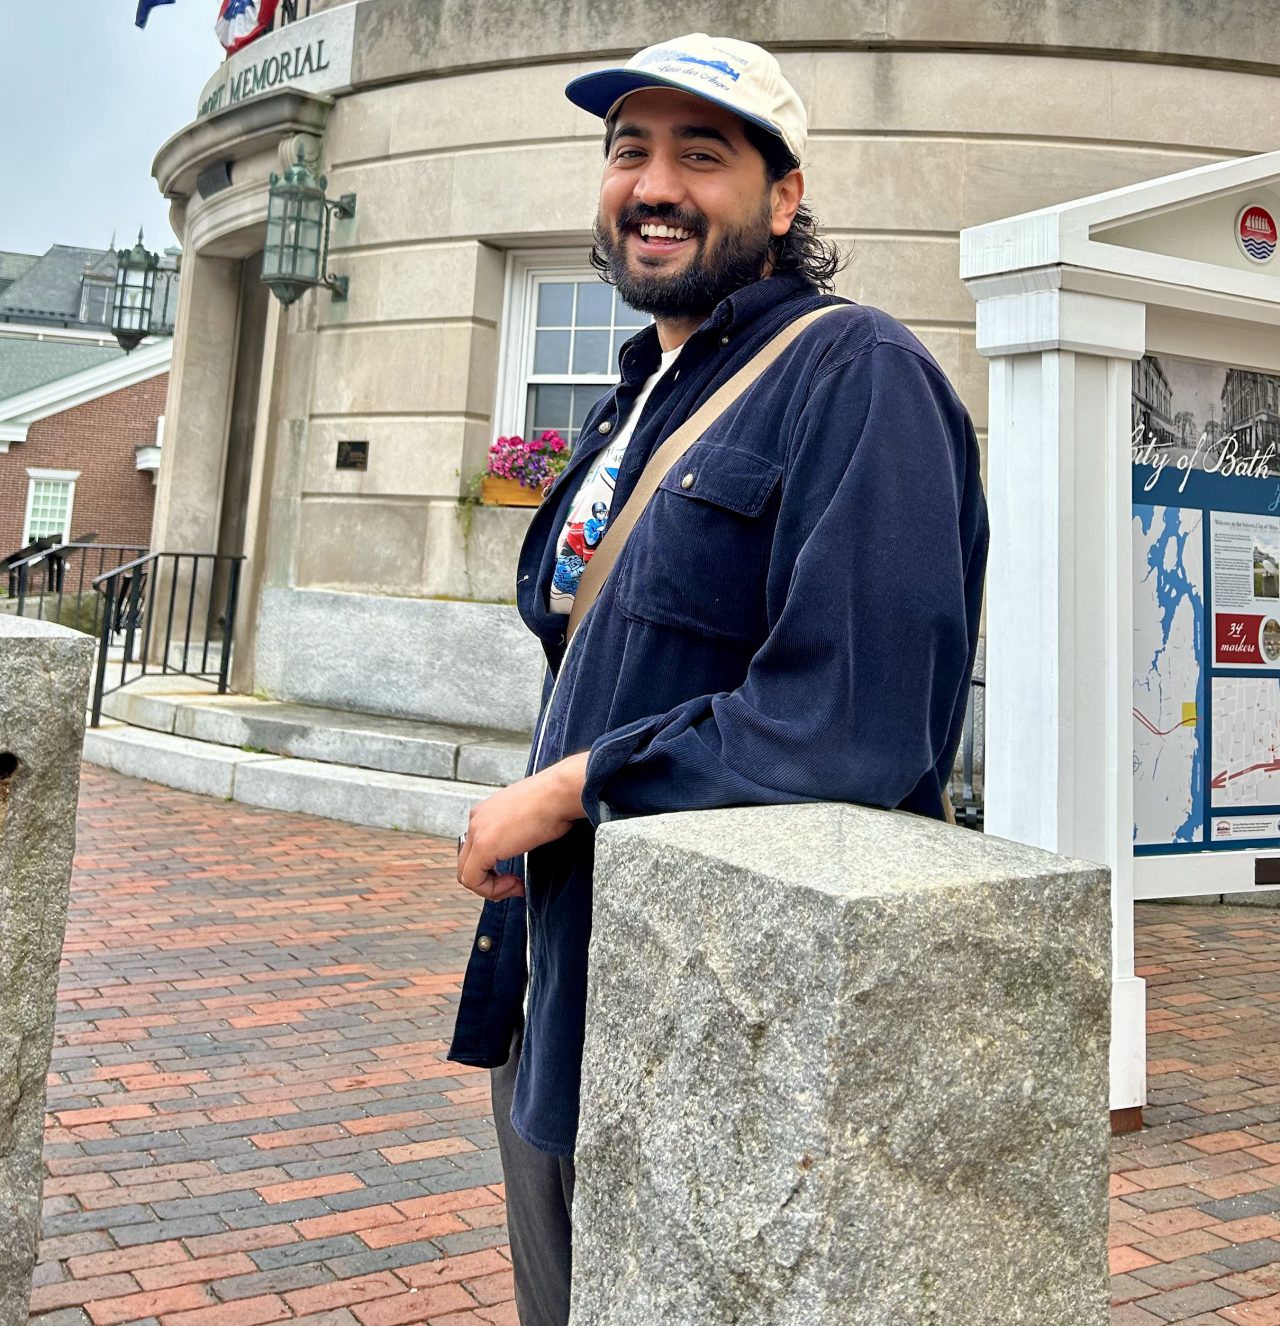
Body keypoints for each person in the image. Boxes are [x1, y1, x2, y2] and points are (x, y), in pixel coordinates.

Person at [450, 33, 989, 1326]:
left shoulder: (856, 375)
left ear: (783, 196)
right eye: (629, 149)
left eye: (703, 153)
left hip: (721, 1030)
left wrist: (571, 788)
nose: (655, 183)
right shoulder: (634, 397)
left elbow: (851, 725)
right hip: (560, 988)